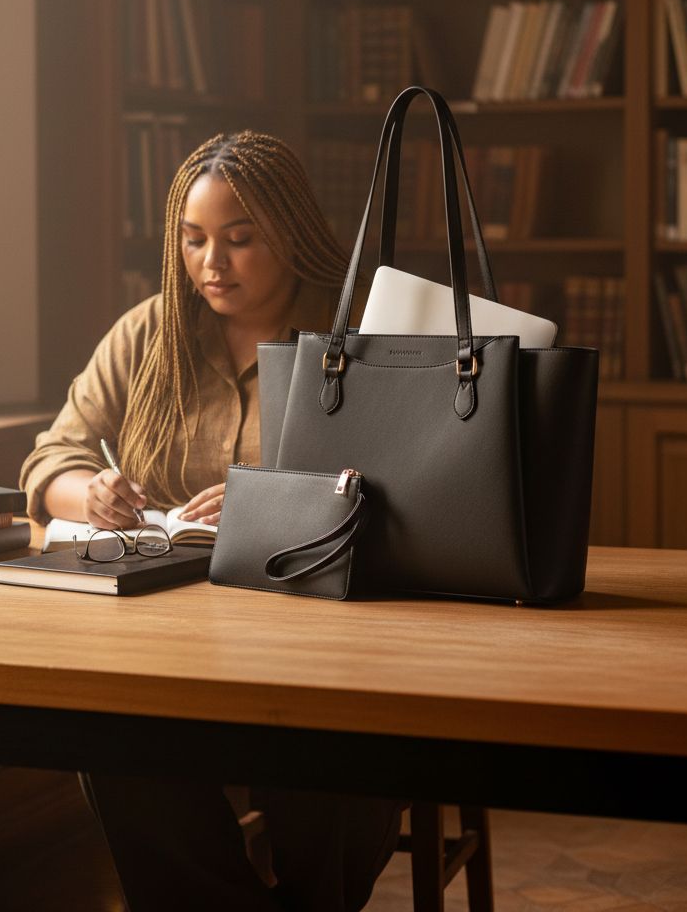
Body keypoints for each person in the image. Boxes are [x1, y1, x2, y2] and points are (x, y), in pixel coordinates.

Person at [20, 129, 401, 912]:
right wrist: (89, 490)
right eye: (193, 241)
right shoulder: (149, 333)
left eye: (239, 239)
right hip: (168, 633)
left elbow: (407, 488)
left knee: (344, 753)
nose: (211, 264)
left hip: (325, 634)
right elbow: (48, 459)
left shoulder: (358, 332)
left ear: (290, 232)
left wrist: (276, 502)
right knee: (111, 739)